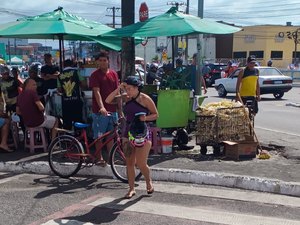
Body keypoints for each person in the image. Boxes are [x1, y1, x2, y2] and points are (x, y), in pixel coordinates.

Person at [106, 76, 158, 199]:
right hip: (128, 132)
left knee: (141, 163)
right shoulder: (126, 97)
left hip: (142, 132)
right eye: (126, 88)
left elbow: (156, 114)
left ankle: (148, 181)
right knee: (129, 162)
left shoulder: (145, 99)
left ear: (136, 88)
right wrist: (119, 88)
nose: (127, 91)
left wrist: (145, 118)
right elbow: (108, 100)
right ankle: (131, 189)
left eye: (130, 89)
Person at [89, 51, 120, 164]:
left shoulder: (114, 74)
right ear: (97, 62)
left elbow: (117, 93)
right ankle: (99, 158)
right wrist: (102, 107)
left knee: (111, 136)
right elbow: (96, 92)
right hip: (99, 111)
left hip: (112, 110)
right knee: (99, 136)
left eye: (104, 60)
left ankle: (111, 158)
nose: (102, 62)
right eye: (100, 60)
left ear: (108, 61)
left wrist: (120, 110)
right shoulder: (94, 75)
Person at [57, 59, 86, 130]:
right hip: (76, 101)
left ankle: (68, 139)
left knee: (67, 123)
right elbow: (84, 84)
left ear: (63, 65)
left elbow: (59, 89)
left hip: (66, 102)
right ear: (72, 65)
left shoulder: (59, 75)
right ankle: (78, 137)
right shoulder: (76, 72)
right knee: (78, 121)